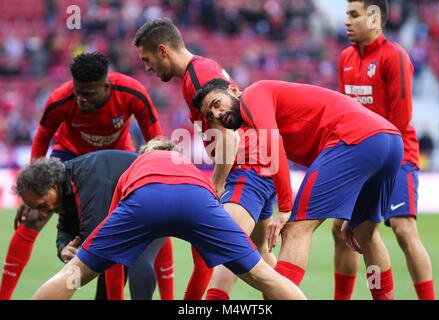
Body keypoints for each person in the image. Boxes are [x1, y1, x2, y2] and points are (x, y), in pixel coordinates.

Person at [194, 78, 403, 300]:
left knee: (295, 230)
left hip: (353, 139)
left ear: (234, 91)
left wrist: (285, 208)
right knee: (366, 235)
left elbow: (274, 147)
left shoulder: (252, 96)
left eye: (217, 104)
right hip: (388, 139)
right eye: (209, 115)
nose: (216, 115)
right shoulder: (261, 109)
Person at [28, 139, 306, 300]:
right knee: (263, 275)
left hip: (145, 197)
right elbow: (202, 260)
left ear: (145, 153)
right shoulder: (191, 167)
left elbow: (112, 260)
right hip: (198, 198)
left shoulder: (136, 166)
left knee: (73, 274)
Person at [0, 52, 174, 300]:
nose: (81, 99)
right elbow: (42, 137)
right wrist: (33, 188)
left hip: (115, 161)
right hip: (69, 159)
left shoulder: (131, 93)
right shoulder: (61, 99)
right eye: (78, 91)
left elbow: (156, 139)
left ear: (107, 86)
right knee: (34, 215)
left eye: (89, 94)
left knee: (150, 221)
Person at [133, 17, 277, 300]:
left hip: (246, 167)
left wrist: (217, 183)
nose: (147, 68)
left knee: (223, 254)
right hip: (260, 164)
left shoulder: (198, 76)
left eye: (147, 59)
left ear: (163, 50)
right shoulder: (199, 71)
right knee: (259, 257)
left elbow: (229, 137)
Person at [333, 0, 434, 300]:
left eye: (354, 15)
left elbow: (400, 121)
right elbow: (343, 112)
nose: (347, 21)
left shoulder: (395, 57)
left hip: (397, 155)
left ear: (374, 18)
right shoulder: (345, 58)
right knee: (341, 230)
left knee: (403, 231)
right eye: (346, 15)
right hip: (361, 158)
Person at [11, 150, 165, 299]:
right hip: (140, 204)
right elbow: (67, 226)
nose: (43, 213)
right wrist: (64, 247)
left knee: (136, 259)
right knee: (111, 256)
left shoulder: (86, 179)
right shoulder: (67, 182)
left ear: (52, 187)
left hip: (158, 194)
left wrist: (69, 275)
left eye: (42, 205)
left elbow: (97, 238)